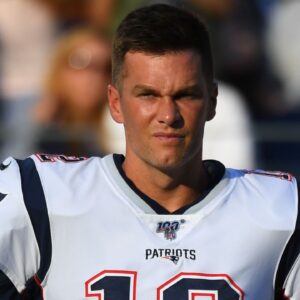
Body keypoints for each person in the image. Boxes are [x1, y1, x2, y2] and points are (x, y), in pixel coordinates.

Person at [0, 3, 298, 300]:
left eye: (185, 95)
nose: (168, 115)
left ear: (212, 101)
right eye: (148, 95)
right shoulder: (39, 198)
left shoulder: (280, 211)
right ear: (115, 103)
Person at [32, 28, 125, 157]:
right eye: (81, 62)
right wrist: (36, 128)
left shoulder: (121, 128)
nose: (94, 76)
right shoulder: (32, 118)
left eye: (107, 67)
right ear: (59, 68)